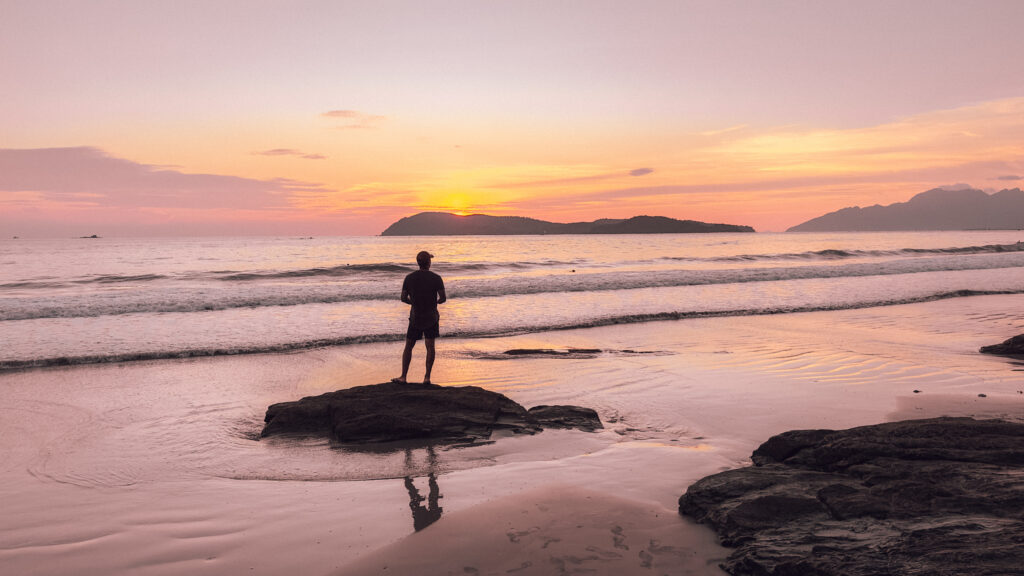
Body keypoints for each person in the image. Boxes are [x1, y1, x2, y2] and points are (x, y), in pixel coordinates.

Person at [393, 250, 446, 384]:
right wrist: (434, 303)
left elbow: (403, 298)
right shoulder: (436, 278)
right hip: (431, 316)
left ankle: (403, 376)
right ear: (429, 262)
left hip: (416, 316)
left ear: (418, 263)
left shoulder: (409, 278)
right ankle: (427, 377)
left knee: (409, 346)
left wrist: (414, 303)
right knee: (430, 347)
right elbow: (443, 298)